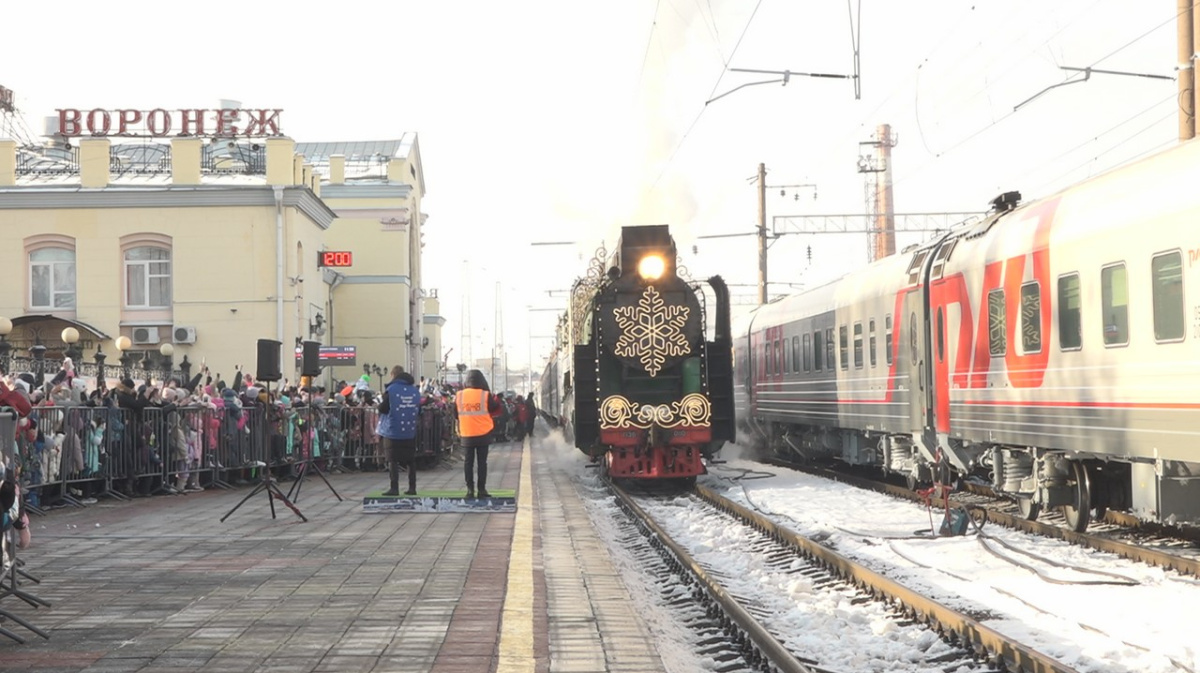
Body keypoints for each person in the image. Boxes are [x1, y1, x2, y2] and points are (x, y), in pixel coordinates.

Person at [453, 369, 500, 498]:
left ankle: (469, 490)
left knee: (468, 462)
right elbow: (494, 407)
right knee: (481, 463)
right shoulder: (485, 395)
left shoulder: (459, 395)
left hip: (467, 433)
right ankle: (482, 489)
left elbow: (455, 414)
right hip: (483, 434)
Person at [377, 365, 421, 496]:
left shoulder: (391, 390)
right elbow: (418, 409)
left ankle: (394, 488)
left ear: (393, 374)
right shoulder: (414, 390)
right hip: (410, 429)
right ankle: (412, 487)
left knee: (392, 459)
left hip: (393, 430)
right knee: (410, 460)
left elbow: (383, 408)